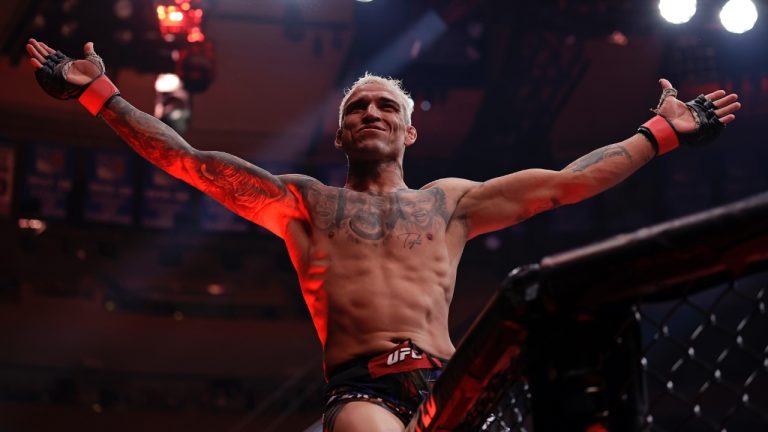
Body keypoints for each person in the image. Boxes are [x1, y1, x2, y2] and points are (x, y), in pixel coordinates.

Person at [25, 39, 740, 432]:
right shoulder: (304, 204)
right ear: (340, 132)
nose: (371, 111)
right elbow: (193, 162)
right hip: (366, 389)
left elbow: (563, 184)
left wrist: (657, 135)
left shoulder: (450, 202)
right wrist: (100, 95)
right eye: (358, 105)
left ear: (408, 128)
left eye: (385, 105)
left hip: (458, 380)